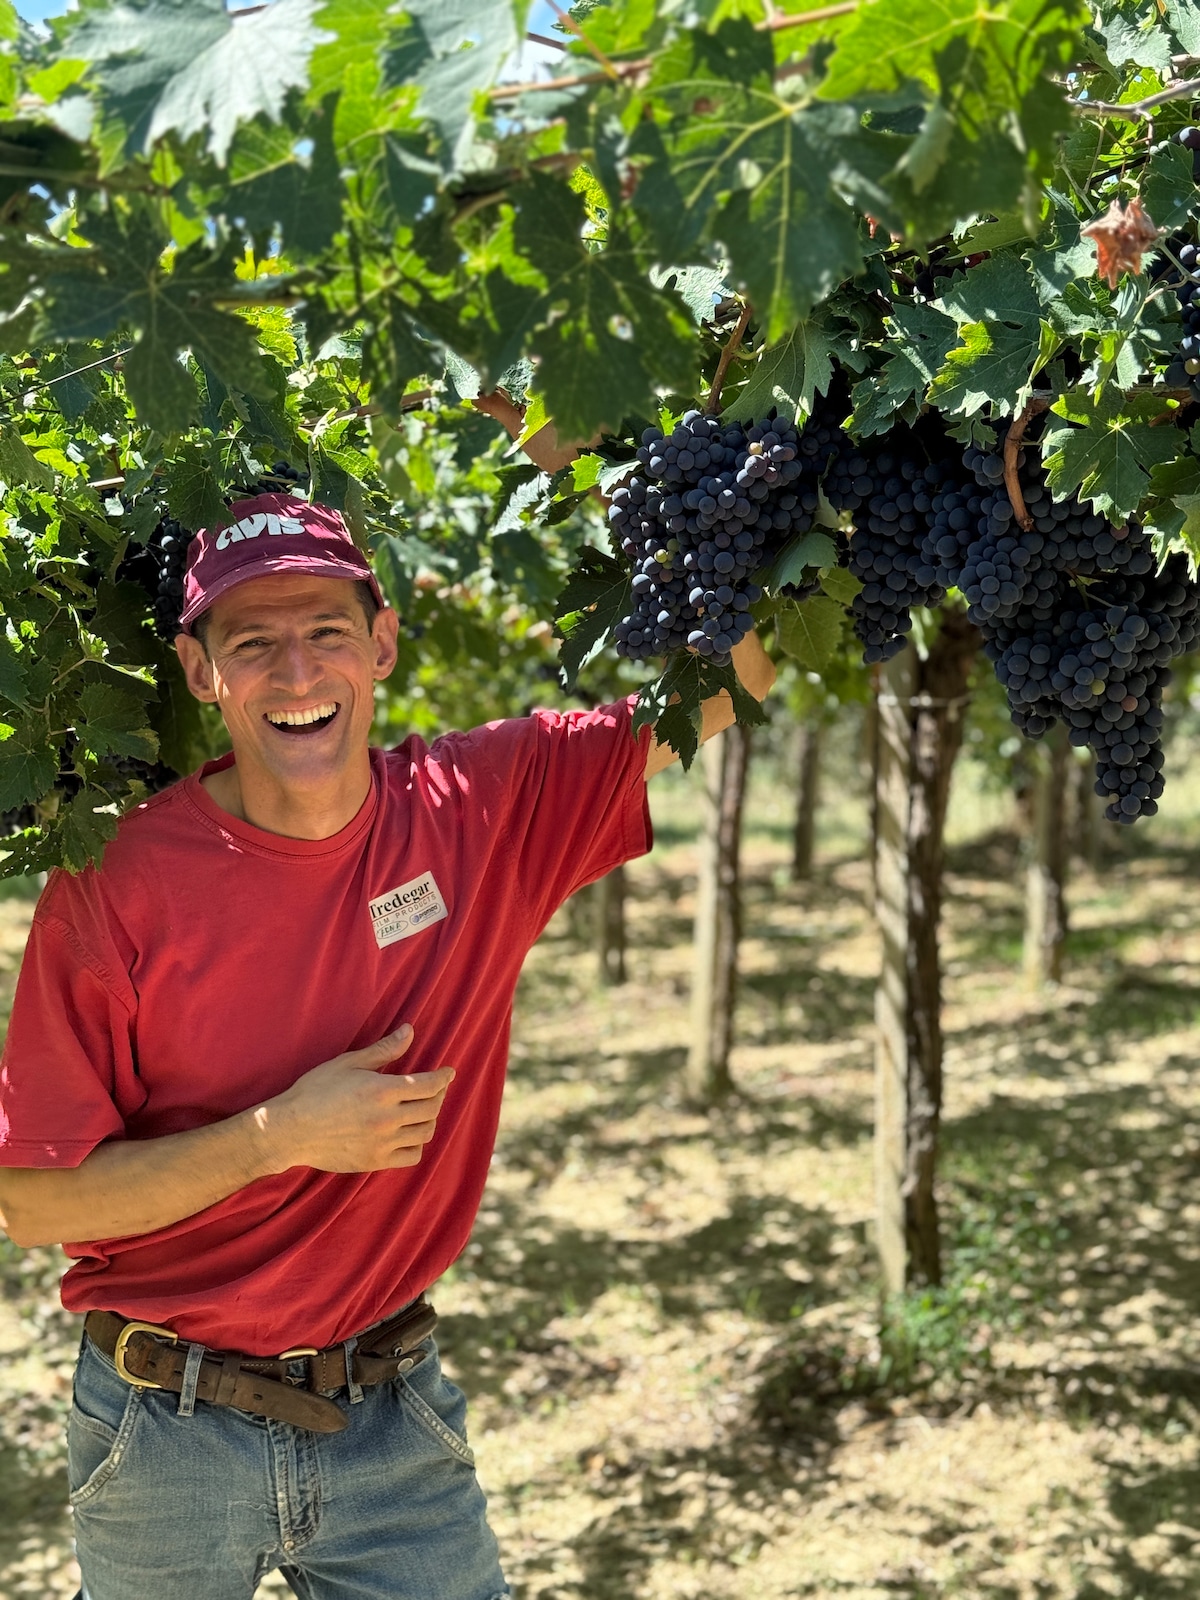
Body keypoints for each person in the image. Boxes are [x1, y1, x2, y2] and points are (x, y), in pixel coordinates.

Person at [0, 459, 774, 1600]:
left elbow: (736, 677)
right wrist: (277, 1135)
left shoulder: (489, 806)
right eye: (253, 642)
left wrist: (624, 468)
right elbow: (32, 1203)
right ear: (199, 671)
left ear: (385, 644)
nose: (298, 670)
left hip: (392, 1420)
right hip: (163, 1427)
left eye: (326, 628)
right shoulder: (116, 882)